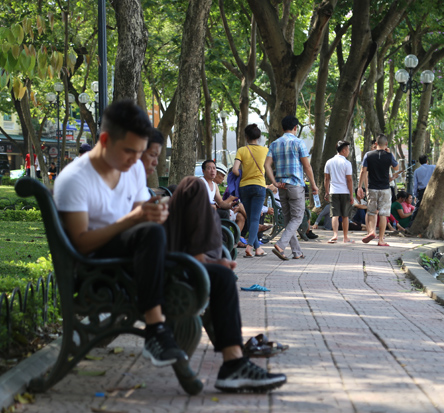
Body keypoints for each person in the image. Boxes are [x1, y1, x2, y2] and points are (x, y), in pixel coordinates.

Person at [54, 100, 186, 368]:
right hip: (97, 271)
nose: (135, 160)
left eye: (140, 153)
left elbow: (140, 218)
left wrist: (155, 213)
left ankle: (233, 361)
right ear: (104, 139)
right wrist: (135, 219)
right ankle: (156, 329)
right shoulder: (74, 179)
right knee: (151, 235)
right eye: (128, 151)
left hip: (132, 259)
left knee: (218, 279)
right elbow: (80, 245)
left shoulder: (133, 168)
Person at [164, 176, 287, 392]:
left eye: (154, 155)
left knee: (221, 274)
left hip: (162, 256)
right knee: (194, 186)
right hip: (143, 265)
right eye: (151, 154)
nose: (153, 162)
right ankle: (233, 363)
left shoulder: (129, 176)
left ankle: (234, 361)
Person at [265, 115, 319, 260]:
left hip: (281, 187)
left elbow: (267, 165)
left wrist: (275, 182)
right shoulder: (298, 142)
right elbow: (307, 166)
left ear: (282, 128)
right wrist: (313, 185)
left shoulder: (274, 144)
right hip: (295, 185)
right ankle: (281, 245)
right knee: (297, 218)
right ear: (295, 128)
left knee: (290, 219)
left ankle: (297, 252)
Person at [233, 124, 268, 258]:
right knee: (254, 218)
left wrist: (244, 174)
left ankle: (258, 249)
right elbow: (268, 167)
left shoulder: (242, 150)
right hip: (259, 186)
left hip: (244, 187)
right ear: (258, 136)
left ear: (246, 137)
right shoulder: (265, 150)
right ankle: (250, 246)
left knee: (250, 218)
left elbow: (235, 170)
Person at [357, 134, 398, 247]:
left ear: (375, 144)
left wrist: (360, 187)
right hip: (385, 188)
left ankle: (371, 232)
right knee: (383, 214)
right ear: (386, 144)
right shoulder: (389, 156)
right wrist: (390, 154)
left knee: (371, 212)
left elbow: (363, 171)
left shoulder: (368, 155)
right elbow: (396, 167)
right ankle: (381, 240)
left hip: (372, 188)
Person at [324, 140, 354, 244]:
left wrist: (326, 191)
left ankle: (335, 235)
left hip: (333, 191)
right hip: (344, 192)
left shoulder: (329, 162)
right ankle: (345, 237)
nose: (349, 152)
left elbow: (326, 179)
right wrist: (351, 194)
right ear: (344, 150)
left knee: (335, 215)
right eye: (348, 150)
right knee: (345, 215)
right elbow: (349, 180)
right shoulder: (347, 163)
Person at [412, 154, 435, 220]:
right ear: (427, 161)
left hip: (421, 191)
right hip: (431, 189)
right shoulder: (433, 167)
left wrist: (415, 194)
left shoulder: (417, 171)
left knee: (418, 207)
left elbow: (415, 184)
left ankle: (411, 223)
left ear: (419, 162)